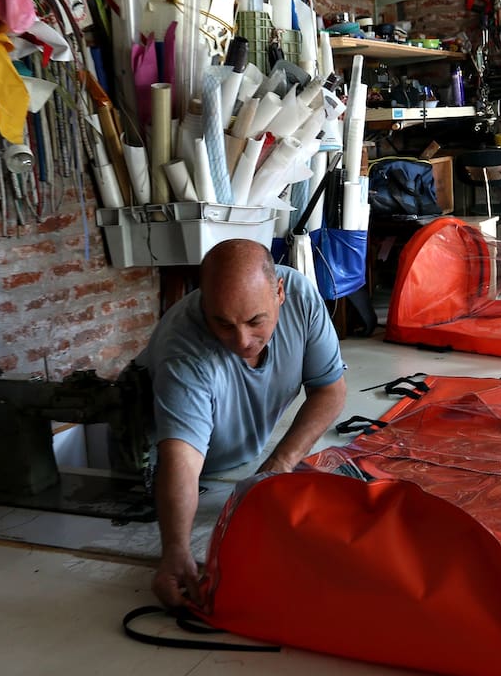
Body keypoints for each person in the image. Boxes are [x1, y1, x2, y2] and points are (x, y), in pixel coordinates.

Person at [135, 239, 347, 608]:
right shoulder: (183, 351)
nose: (242, 341)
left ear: (279, 292)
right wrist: (175, 549)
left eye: (255, 321)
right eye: (223, 323)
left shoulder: (301, 297)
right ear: (204, 303)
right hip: (160, 471)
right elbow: (181, 459)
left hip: (235, 459)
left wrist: (278, 466)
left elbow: (330, 390)